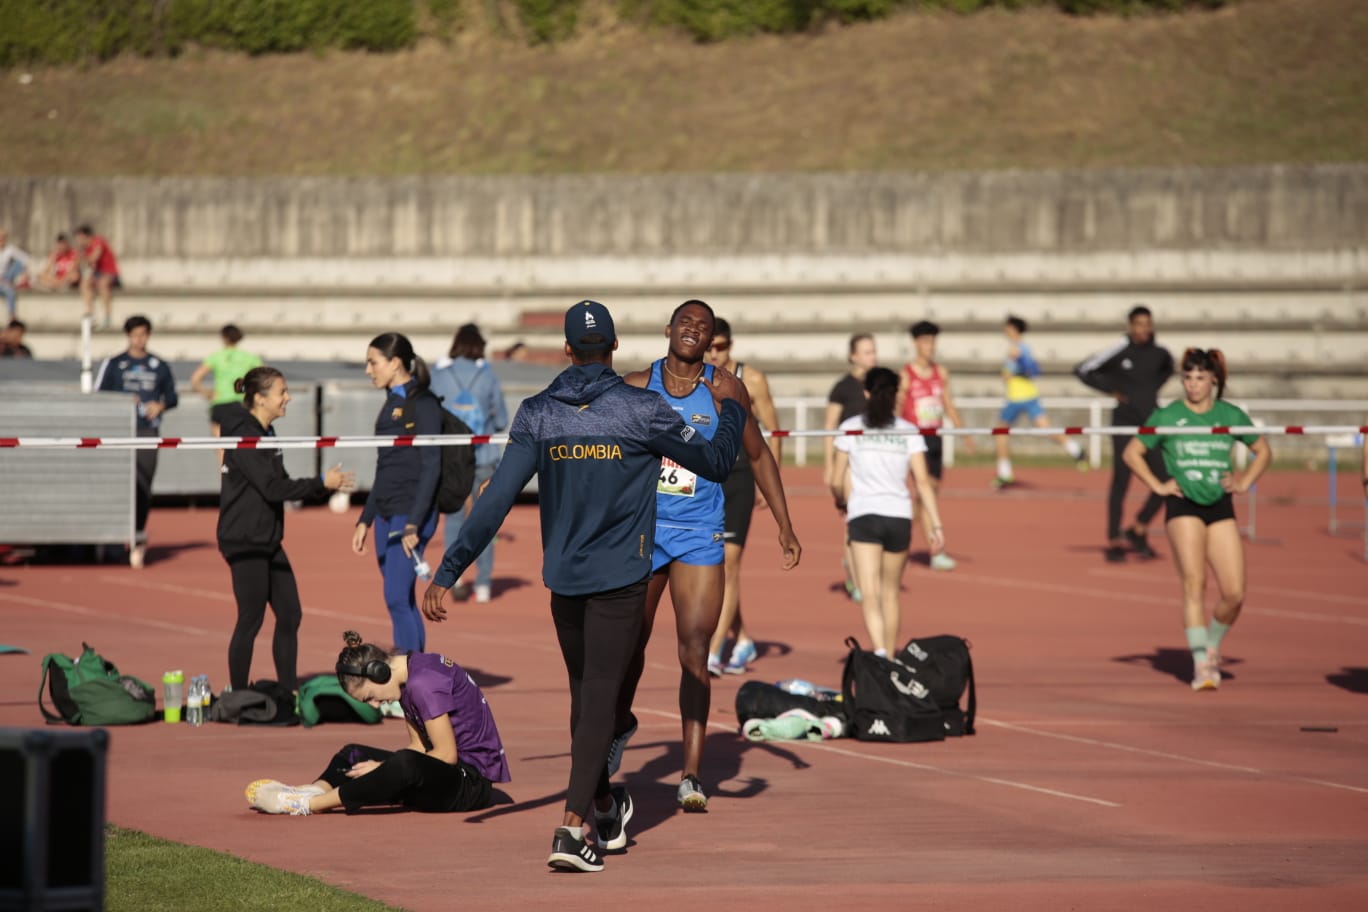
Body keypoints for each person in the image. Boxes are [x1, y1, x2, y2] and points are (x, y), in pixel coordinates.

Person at [420, 300, 749, 872]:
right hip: (622, 578)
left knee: (588, 699)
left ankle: (602, 804)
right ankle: (572, 829)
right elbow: (717, 463)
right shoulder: (643, 409)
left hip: (565, 580)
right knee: (598, 696)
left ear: (567, 350)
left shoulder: (538, 413)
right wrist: (734, 410)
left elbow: (494, 500)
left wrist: (450, 569)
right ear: (615, 348)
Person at [617, 300, 801, 811]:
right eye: (686, 323)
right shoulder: (635, 385)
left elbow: (758, 453)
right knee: (629, 644)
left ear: (712, 338)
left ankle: (692, 774)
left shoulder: (725, 390)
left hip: (699, 532)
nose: (694, 331)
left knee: (695, 650)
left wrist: (785, 525)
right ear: (669, 330)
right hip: (644, 532)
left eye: (705, 327)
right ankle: (618, 726)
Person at [1123, 348, 1272, 692]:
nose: (1192, 385)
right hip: (1183, 505)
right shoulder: (1168, 414)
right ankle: (1201, 663)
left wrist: (1245, 481)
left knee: (1234, 592)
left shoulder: (1229, 413)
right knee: (1195, 584)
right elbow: (1133, 453)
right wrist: (1159, 485)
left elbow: (1263, 450)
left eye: (1200, 378)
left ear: (1213, 380)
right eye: (1187, 378)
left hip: (1220, 506)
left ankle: (1212, 643)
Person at [245, 630, 509, 816]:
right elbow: (418, 746)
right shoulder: (409, 674)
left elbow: (446, 755)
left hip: (471, 784)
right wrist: (382, 768)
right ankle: (312, 791)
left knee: (403, 764)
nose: (374, 705)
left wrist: (383, 768)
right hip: (443, 773)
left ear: (378, 674)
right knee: (353, 754)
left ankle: (307, 805)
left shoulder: (423, 684)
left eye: (369, 697)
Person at [218, 366, 354, 694]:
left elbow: (279, 482)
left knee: (290, 613)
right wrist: (321, 483)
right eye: (282, 392)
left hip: (268, 538)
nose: (288, 398)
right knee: (250, 619)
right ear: (260, 398)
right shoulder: (245, 434)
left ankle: (288, 688)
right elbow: (271, 487)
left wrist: (320, 487)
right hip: (243, 540)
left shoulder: (266, 432)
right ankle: (238, 695)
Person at [830, 367, 946, 657]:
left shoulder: (851, 427)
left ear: (866, 392)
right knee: (891, 593)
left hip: (864, 515)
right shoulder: (908, 430)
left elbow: (836, 479)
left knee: (869, 593)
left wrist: (841, 501)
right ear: (896, 395)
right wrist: (935, 525)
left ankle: (880, 652)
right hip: (899, 518)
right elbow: (923, 482)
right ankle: (890, 658)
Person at [701, 317, 783, 676]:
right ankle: (744, 638)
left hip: (740, 478)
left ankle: (715, 648)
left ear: (730, 346)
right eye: (708, 348)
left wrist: (770, 482)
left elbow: (774, 432)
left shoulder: (752, 379)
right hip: (706, 477)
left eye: (719, 347)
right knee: (711, 565)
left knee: (728, 564)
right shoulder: (695, 377)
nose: (713, 354)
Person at [351, 333, 441, 653]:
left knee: (395, 598)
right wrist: (366, 518)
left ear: (395, 363)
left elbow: (432, 465)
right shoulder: (390, 404)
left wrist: (414, 522)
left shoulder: (423, 403)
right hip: (386, 512)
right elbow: (385, 467)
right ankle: (415, 672)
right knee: (401, 599)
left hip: (411, 511)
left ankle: (408, 677)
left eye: (373, 362)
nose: (368, 370)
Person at [1075, 305, 1175, 562]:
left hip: (1152, 424)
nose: (1144, 329)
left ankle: (1139, 527)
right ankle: (1114, 539)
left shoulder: (1161, 354)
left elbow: (1167, 372)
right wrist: (1112, 390)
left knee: (1167, 479)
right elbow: (1083, 370)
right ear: (1130, 325)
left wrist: (1146, 397)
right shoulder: (1119, 350)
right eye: (1139, 324)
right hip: (1124, 423)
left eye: (1148, 324)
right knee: (1121, 480)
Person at [430, 323, 508, 603]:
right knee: (484, 519)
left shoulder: (438, 375)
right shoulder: (487, 376)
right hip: (484, 455)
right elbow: (501, 420)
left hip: (451, 456)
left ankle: (455, 576)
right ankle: (484, 583)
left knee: (454, 518)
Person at [95, 315, 177, 568]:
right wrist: (121, 403)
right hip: (118, 433)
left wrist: (160, 405)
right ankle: (110, 540)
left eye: (143, 334)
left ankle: (137, 538)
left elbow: (173, 398)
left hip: (147, 433)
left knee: (143, 486)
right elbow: (99, 395)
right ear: (128, 336)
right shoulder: (114, 363)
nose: (139, 339)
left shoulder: (159, 365)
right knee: (115, 485)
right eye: (135, 335)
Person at [896, 320, 971, 571]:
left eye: (933, 342)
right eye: (926, 342)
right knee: (925, 491)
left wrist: (964, 433)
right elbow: (896, 408)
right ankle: (936, 550)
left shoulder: (942, 373)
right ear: (916, 343)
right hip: (915, 440)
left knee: (929, 495)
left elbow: (948, 405)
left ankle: (901, 538)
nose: (931, 347)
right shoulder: (906, 375)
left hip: (935, 438)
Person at [993, 314, 1087, 488]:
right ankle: (1076, 449)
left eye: (1006, 327)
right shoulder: (1023, 348)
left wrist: (1010, 371)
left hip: (1017, 397)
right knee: (1046, 428)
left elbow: (1012, 374)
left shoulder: (1016, 349)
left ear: (1013, 329)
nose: (1004, 330)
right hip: (1029, 396)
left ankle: (1005, 473)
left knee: (1000, 433)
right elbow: (1034, 370)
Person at [824, 332, 878, 601]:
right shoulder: (843, 387)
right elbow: (829, 427)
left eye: (873, 351)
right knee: (853, 518)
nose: (872, 356)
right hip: (848, 461)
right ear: (853, 356)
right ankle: (856, 579)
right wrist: (829, 465)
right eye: (867, 352)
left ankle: (862, 569)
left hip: (875, 460)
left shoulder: (881, 383)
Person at [190, 324, 264, 441]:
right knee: (242, 446)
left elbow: (195, 379)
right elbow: (265, 379)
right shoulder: (250, 357)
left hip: (221, 403)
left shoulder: (216, 356)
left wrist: (207, 393)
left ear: (223, 337)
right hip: (243, 403)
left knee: (221, 446)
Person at [74, 224, 121, 329]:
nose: (79, 242)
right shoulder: (85, 249)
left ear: (86, 236)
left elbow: (94, 258)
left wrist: (82, 258)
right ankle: (91, 315)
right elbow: (81, 264)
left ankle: (107, 316)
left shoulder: (98, 241)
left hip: (110, 273)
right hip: (98, 274)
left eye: (80, 238)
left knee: (102, 284)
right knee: (85, 283)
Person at [0, 228, 30, 320]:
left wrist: (25, 273)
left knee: (18, 265)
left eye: (2, 238)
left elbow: (25, 259)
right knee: (9, 291)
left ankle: (12, 315)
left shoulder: (10, 250)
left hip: (6, 278)